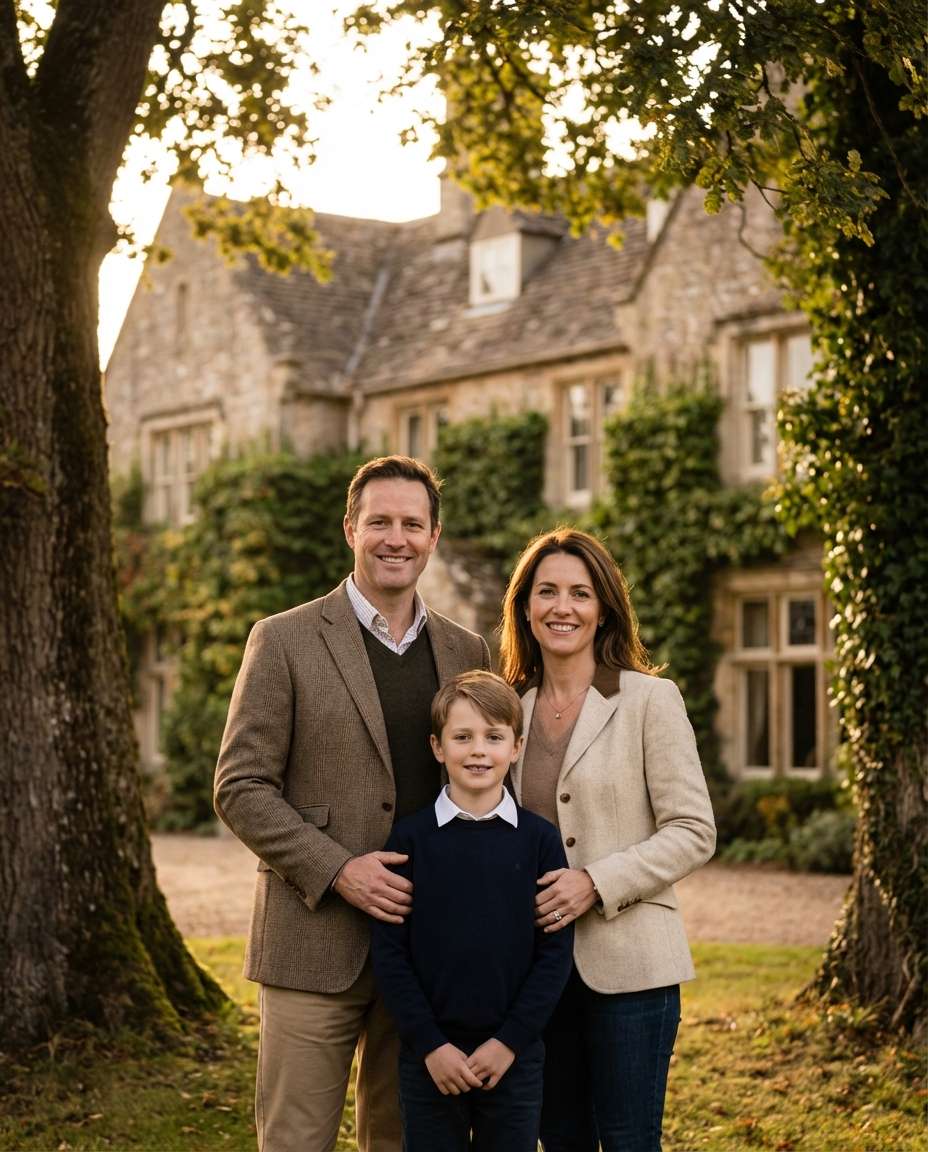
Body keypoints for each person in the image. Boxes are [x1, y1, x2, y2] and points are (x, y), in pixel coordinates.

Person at [214, 455, 490, 1152]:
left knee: (405, 1141)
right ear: (350, 529)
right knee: (296, 1138)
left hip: (427, 955)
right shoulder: (283, 639)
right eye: (379, 522)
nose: (394, 538)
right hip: (313, 944)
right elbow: (240, 786)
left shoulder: (466, 649)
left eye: (411, 523)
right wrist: (340, 870)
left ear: (433, 536)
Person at [499, 527, 716, 1152]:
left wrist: (596, 882)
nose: (562, 607)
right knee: (559, 1138)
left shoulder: (650, 700)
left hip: (631, 971)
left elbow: (693, 830)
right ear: (525, 607)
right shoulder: (506, 708)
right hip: (533, 971)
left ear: (604, 609)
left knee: (627, 1140)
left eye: (580, 593)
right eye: (546, 592)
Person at [371, 670, 575, 1152]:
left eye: (494, 737)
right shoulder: (410, 840)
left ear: (517, 747)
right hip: (431, 1057)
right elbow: (390, 953)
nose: (478, 750)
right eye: (462, 737)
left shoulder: (541, 840)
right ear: (438, 747)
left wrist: (510, 1043)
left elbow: (555, 954)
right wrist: (430, 1044)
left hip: (514, 1056)